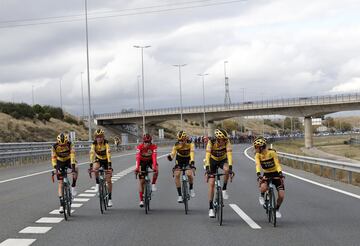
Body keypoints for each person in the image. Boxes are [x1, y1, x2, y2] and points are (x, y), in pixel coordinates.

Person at [204, 129, 233, 218]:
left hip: (222, 160)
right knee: (212, 184)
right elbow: (207, 157)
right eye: (223, 139)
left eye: (225, 139)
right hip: (212, 161)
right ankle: (211, 208)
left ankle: (224, 189)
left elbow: (229, 155)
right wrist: (208, 169)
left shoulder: (227, 142)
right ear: (218, 139)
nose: (224, 141)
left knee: (227, 170)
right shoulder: (211, 142)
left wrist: (231, 168)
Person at [254, 137, 285, 219]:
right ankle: (261, 196)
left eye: (256, 147)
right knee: (263, 187)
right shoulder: (257, 155)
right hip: (267, 174)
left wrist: (280, 173)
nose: (255, 149)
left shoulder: (272, 153)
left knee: (281, 195)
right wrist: (258, 174)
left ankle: (277, 209)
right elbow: (257, 165)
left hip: (275, 173)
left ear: (261, 147)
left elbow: (277, 164)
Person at [51, 133, 78, 213]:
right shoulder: (54, 146)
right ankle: (62, 205)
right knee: (60, 183)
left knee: (76, 168)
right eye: (61, 145)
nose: (62, 146)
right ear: (58, 142)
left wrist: (73, 168)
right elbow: (53, 158)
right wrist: (56, 168)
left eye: (64, 145)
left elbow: (73, 156)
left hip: (68, 160)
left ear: (67, 142)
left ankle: (73, 186)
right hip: (59, 161)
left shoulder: (70, 144)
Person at [167, 130, 196, 203]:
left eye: (182, 140)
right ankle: (180, 195)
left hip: (188, 159)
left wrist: (192, 162)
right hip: (179, 159)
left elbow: (192, 153)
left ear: (185, 138)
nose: (181, 142)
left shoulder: (190, 143)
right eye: (179, 140)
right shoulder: (176, 145)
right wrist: (170, 157)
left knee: (189, 173)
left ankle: (191, 188)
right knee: (177, 175)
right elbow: (173, 154)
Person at [89, 128, 113, 207]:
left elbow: (108, 154)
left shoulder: (106, 143)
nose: (99, 138)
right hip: (98, 159)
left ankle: (109, 199)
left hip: (106, 160)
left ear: (103, 137)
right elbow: (92, 153)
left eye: (100, 137)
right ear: (95, 137)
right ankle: (97, 183)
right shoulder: (94, 144)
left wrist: (109, 165)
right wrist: (91, 164)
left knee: (109, 180)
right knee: (95, 168)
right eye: (97, 137)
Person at [135, 134, 159, 207]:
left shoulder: (153, 147)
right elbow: (138, 158)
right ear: (143, 142)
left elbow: (154, 158)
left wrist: (154, 167)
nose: (147, 144)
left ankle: (153, 184)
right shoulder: (139, 147)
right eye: (145, 142)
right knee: (141, 181)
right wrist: (137, 168)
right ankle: (141, 200)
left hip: (150, 161)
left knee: (157, 169)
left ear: (150, 142)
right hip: (142, 162)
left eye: (148, 142)